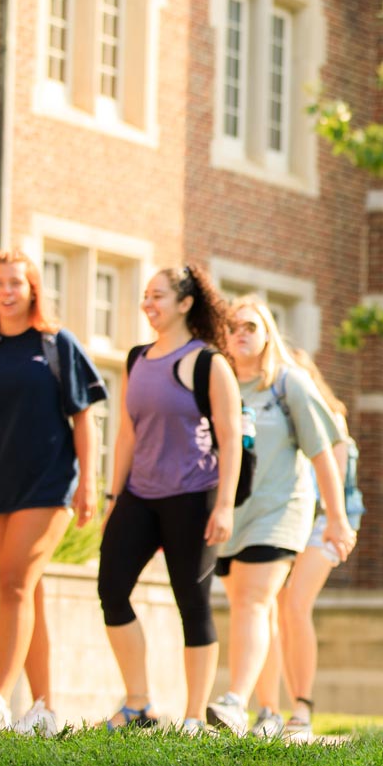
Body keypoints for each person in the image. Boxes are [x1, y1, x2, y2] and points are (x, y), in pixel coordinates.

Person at [0, 250, 106, 735]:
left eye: (16, 282)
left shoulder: (56, 344)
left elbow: (85, 417)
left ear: (33, 288)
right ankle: (43, 708)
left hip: (49, 482)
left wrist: (89, 481)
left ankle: (0, 696)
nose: (7, 291)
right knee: (26, 589)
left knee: (13, 584)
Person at [96, 266, 240, 734]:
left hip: (194, 496)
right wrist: (113, 497)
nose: (148, 304)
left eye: (157, 296)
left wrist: (223, 506)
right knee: (112, 591)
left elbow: (230, 438)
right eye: (145, 296)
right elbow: (126, 433)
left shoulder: (208, 363)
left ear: (184, 303)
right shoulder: (136, 358)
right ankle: (138, 704)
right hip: (140, 494)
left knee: (191, 604)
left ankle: (195, 716)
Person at [204, 299, 356, 737]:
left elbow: (323, 453)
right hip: (233, 515)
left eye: (250, 326)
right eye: (232, 328)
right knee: (253, 609)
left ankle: (235, 700)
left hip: (281, 510)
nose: (240, 334)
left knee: (254, 601)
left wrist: (337, 518)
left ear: (268, 333)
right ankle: (269, 710)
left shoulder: (290, 384)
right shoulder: (222, 385)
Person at [251, 347, 366, 742]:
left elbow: (332, 476)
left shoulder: (328, 415)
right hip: (286, 515)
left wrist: (336, 522)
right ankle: (268, 708)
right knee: (269, 606)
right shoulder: (274, 413)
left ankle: (301, 706)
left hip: (325, 520)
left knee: (296, 604)